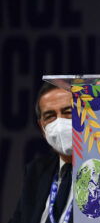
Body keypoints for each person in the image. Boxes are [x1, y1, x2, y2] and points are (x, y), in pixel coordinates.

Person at [9, 83, 74, 223]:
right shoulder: (36, 171)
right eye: (50, 116)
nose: (60, 123)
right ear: (42, 127)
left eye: (68, 112)